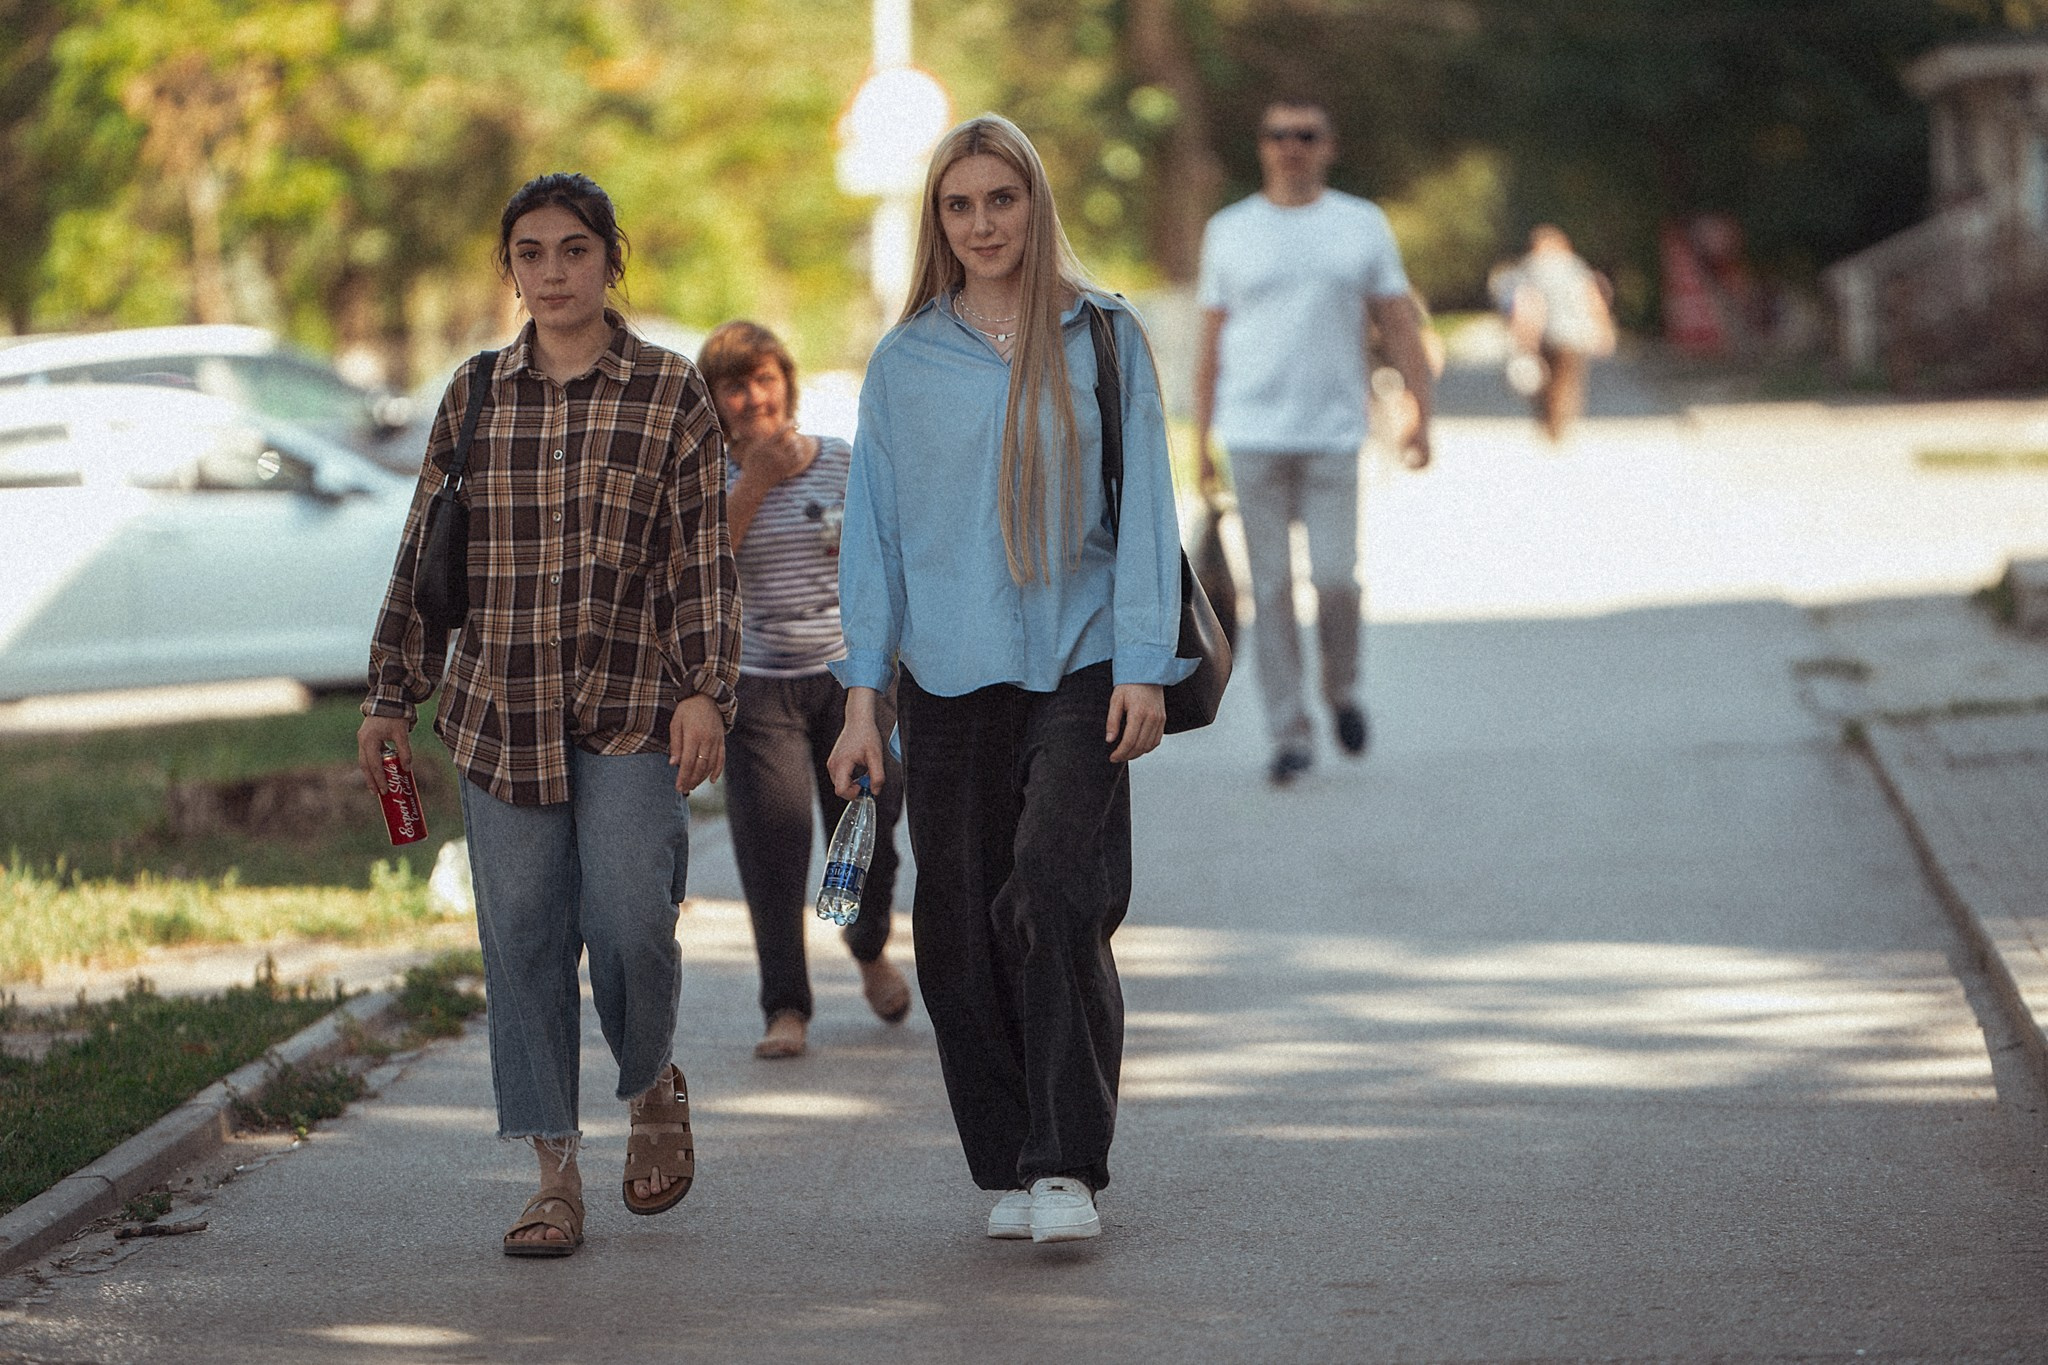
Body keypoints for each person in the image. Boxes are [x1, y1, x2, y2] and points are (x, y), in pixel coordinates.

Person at [355, 172, 738, 1259]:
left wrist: (706, 687)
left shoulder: (669, 393)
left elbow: (698, 560)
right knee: (520, 942)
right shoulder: (473, 395)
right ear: (510, 269)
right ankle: (552, 1172)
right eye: (532, 253)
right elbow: (425, 558)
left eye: (575, 250)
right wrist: (392, 691)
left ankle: (651, 1080)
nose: (554, 272)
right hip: (500, 709)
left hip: (630, 707)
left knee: (627, 924)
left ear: (610, 261)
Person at [826, 114, 1189, 1246]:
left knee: (1053, 886)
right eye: (958, 204)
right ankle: (1007, 1162)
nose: (981, 224)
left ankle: (1066, 1163)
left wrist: (1144, 666)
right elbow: (871, 537)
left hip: (1080, 660)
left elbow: (1147, 520)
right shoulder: (904, 359)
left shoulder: (1104, 337)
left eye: (1001, 199)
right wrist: (860, 694)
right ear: (937, 221)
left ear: (1035, 205)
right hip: (944, 675)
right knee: (956, 921)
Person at [1193, 97, 1436, 787]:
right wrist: (1202, 435)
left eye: (1306, 135)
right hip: (1252, 431)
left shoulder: (1360, 225)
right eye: (1277, 134)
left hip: (1334, 431)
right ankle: (1289, 732)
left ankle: (1341, 689)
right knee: (1268, 590)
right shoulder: (1230, 231)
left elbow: (1397, 322)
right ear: (1262, 146)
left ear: (1328, 145)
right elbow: (1210, 343)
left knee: (1336, 580)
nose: (1290, 145)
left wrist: (1423, 410)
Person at [697, 320, 912, 1061]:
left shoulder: (844, 463)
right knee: (775, 849)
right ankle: (785, 1005)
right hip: (761, 689)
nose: (754, 396)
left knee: (871, 837)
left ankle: (867, 941)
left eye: (765, 378)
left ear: (787, 381)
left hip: (853, 683)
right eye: (735, 385)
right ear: (716, 401)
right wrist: (754, 481)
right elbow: (700, 569)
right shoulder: (708, 478)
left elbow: (887, 562)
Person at [1509, 224, 1616, 443]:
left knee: (1543, 380)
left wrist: (1523, 335)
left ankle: (1549, 421)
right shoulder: (1575, 266)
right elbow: (1593, 298)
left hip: (1544, 334)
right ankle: (1562, 422)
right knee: (1568, 381)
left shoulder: (1531, 267)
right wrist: (1604, 329)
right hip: (1574, 334)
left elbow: (1527, 302)